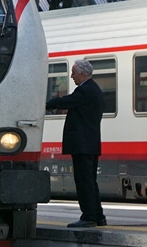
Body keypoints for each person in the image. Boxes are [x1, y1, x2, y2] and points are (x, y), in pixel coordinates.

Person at [45, 58, 106, 228]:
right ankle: (98, 215)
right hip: (90, 144)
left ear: (82, 73)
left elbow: (66, 101)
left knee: (84, 181)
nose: (71, 76)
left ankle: (88, 216)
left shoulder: (85, 90)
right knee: (90, 181)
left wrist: (45, 105)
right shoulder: (94, 89)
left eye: (73, 73)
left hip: (82, 145)